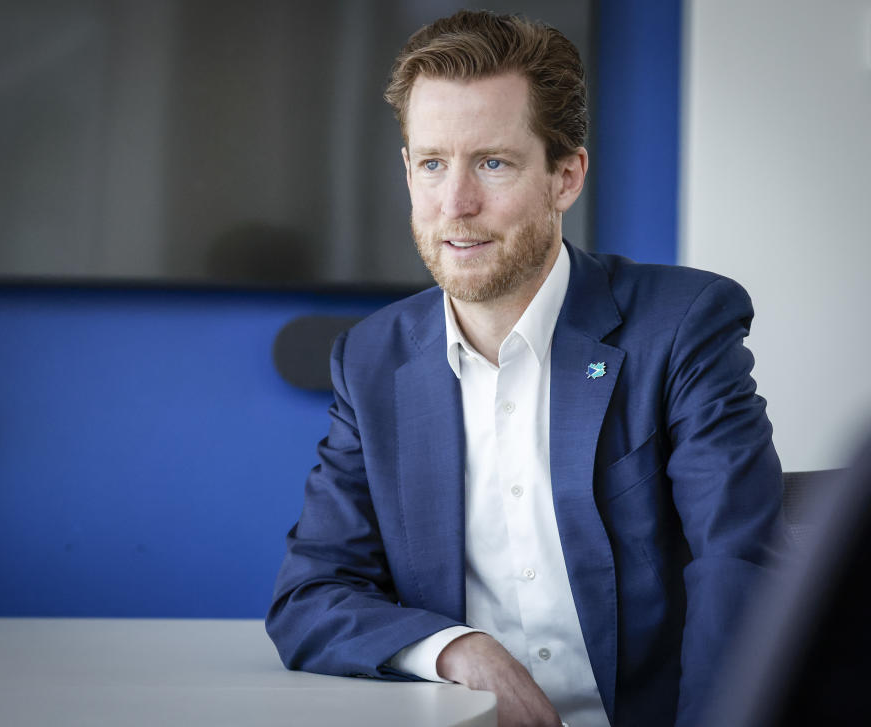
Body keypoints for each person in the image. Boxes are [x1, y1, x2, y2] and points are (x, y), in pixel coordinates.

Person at [266, 10, 784, 727]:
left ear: (566, 176)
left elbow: (739, 570)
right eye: (433, 163)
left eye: (493, 162)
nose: (456, 205)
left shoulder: (685, 325)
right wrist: (457, 649)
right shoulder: (372, 359)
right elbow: (312, 594)